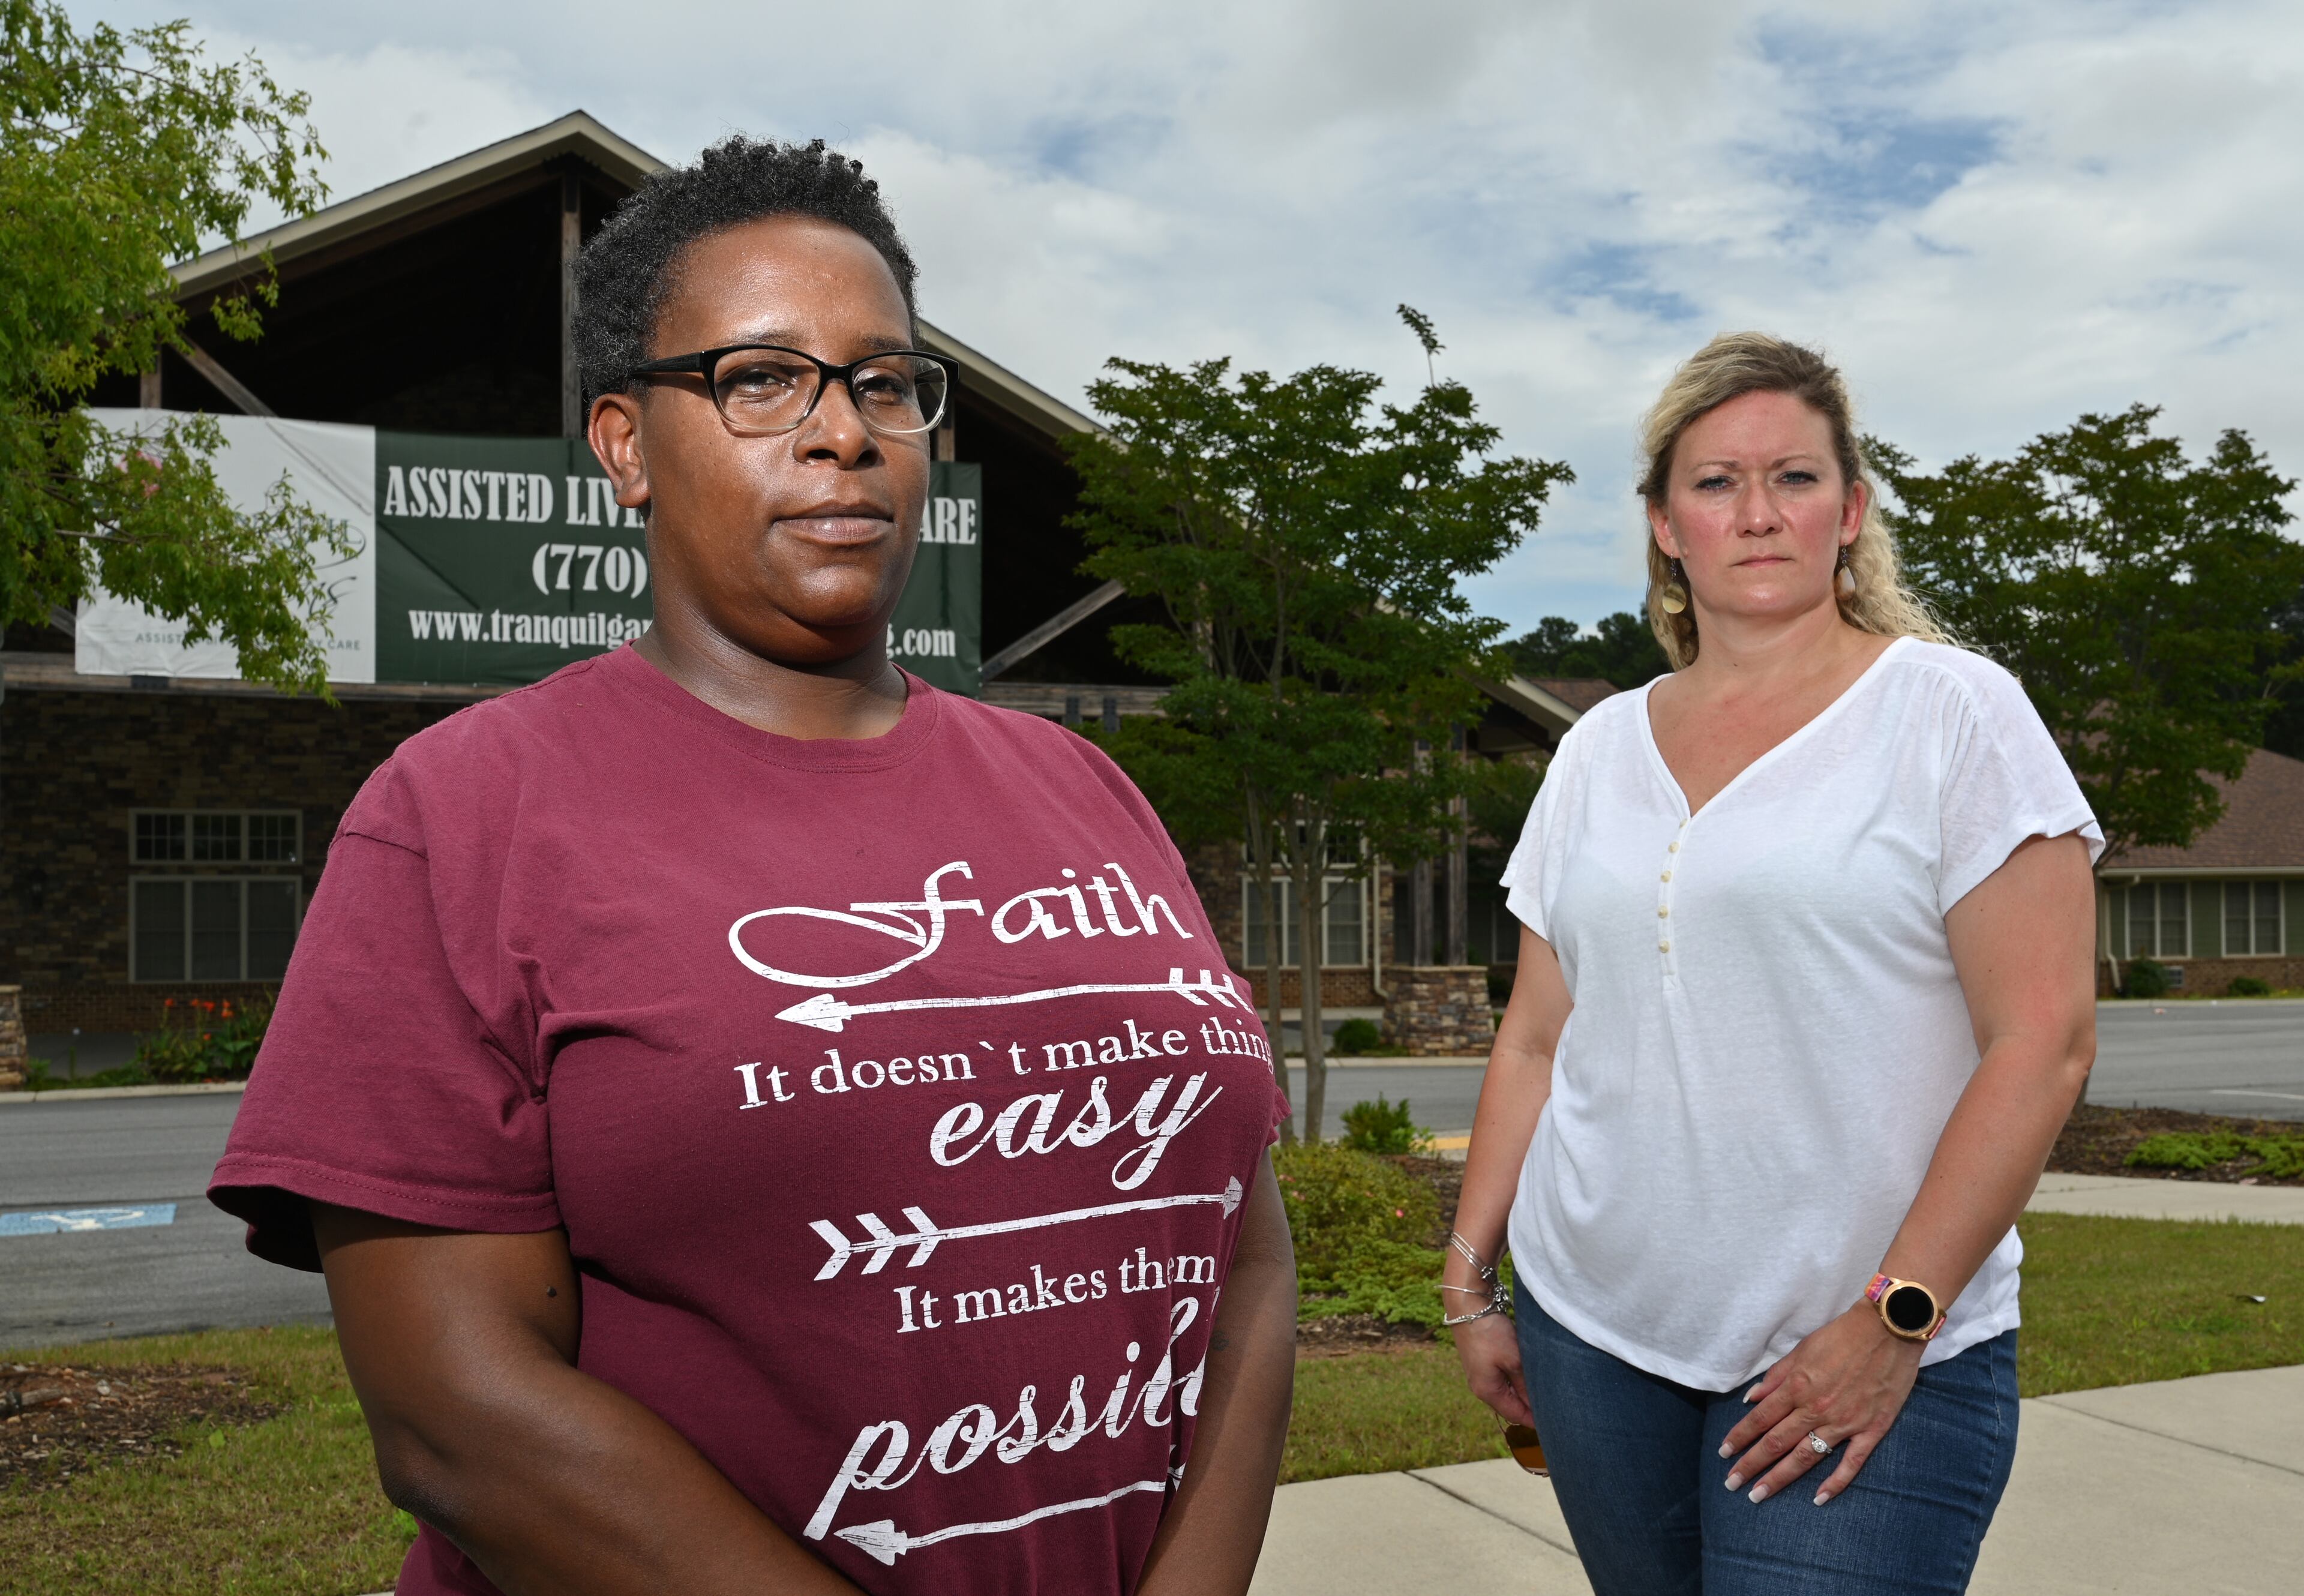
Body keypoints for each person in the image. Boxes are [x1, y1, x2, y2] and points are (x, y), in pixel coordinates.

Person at [208, 136, 1296, 1596]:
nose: (842, 432)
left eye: (885, 381)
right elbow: (454, 1415)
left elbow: (1244, 1256)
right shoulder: (465, 812)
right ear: (624, 445)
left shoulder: (1084, 786)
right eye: (761, 378)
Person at [1448, 332, 2100, 1594]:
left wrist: (1896, 1317)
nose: (1757, 513)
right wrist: (1474, 1278)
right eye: (1715, 482)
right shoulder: (1593, 749)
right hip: (1594, 1335)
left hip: (1859, 1343)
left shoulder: (1953, 715)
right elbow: (1537, 1035)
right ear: (1663, 526)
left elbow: (2045, 1040)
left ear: (1850, 512)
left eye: (1795, 479)